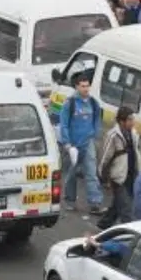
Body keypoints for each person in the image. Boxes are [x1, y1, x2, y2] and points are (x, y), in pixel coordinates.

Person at [59, 72, 104, 215]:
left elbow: (97, 119)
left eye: (87, 86)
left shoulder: (93, 103)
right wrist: (67, 144)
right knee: (71, 175)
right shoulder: (70, 103)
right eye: (83, 86)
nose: (86, 89)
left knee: (91, 173)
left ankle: (95, 203)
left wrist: (95, 134)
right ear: (77, 86)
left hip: (88, 143)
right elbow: (64, 124)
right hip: (73, 146)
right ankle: (70, 201)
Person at [98, 107, 141, 229]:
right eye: (130, 120)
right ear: (122, 121)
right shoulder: (113, 136)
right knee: (127, 211)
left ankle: (103, 225)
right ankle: (129, 235)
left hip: (131, 176)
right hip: (118, 178)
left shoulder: (133, 134)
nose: (133, 122)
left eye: (133, 119)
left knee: (118, 205)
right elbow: (104, 158)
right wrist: (103, 178)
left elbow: (137, 153)